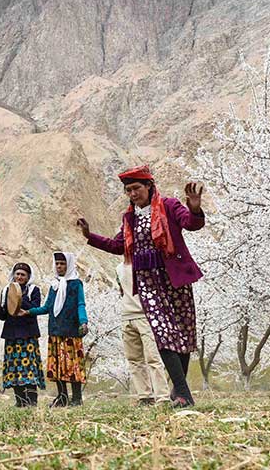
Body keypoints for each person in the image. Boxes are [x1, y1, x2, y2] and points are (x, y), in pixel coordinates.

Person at [80, 166, 205, 408]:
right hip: (148, 283)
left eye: (136, 188)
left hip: (173, 279)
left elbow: (191, 224)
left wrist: (195, 206)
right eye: (128, 190)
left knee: (182, 334)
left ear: (149, 186)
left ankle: (180, 390)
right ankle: (182, 393)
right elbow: (119, 247)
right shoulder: (130, 218)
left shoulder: (169, 205)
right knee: (162, 333)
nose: (132, 194)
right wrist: (89, 235)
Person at [30, 252, 88, 407]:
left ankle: (77, 398)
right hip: (55, 331)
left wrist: (83, 322)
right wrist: (28, 312)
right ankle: (62, 397)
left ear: (68, 265)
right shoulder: (54, 285)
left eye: (62, 263)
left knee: (73, 364)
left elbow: (80, 304)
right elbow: (47, 307)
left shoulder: (76, 284)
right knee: (57, 366)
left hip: (71, 332)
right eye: (57, 264)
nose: (59, 266)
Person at [116, 263, 170, 405]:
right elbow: (121, 291)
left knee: (153, 357)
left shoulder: (144, 264)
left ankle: (163, 397)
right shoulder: (118, 268)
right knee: (134, 359)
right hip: (126, 316)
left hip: (144, 316)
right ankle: (145, 396)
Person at [0, 262, 45, 407]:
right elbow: (5, 315)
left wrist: (20, 298)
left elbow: (35, 308)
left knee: (29, 368)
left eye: (23, 274)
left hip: (28, 334)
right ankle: (19, 400)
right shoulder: (6, 290)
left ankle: (32, 401)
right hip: (11, 334)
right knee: (14, 368)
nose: (19, 277)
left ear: (28, 277)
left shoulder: (33, 290)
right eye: (17, 274)